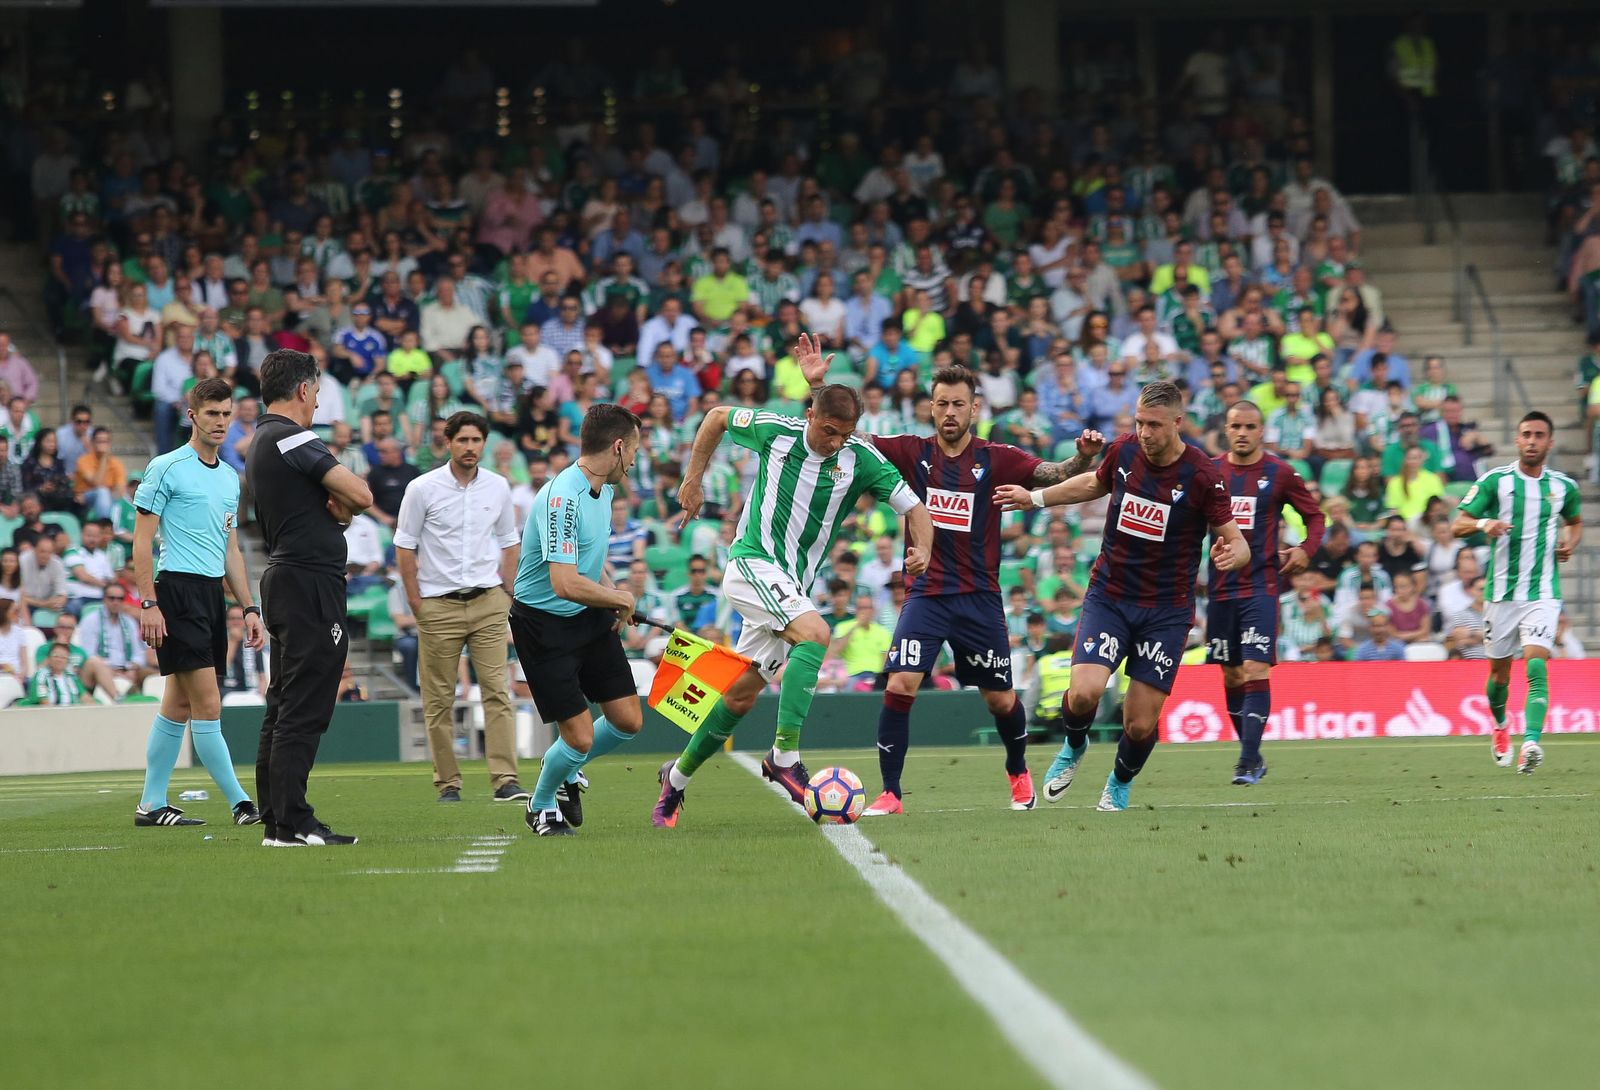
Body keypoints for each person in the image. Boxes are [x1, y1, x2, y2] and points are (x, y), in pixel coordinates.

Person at [654, 339, 931, 827]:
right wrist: (693, 480)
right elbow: (717, 415)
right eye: (828, 430)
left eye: (845, 434)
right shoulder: (775, 431)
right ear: (808, 415)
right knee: (818, 633)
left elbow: (915, 508)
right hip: (751, 564)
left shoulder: (859, 460)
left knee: (740, 695)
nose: (835, 442)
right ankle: (783, 758)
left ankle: (673, 780)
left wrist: (923, 547)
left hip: (791, 586)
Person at [840, 361, 1103, 816]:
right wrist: (821, 388)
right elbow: (851, 439)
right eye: (941, 403)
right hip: (926, 593)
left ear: (974, 408)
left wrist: (1082, 456)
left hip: (979, 598)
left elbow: (1057, 474)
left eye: (958, 404)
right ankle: (891, 792)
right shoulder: (909, 452)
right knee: (900, 684)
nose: (949, 412)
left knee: (1000, 699)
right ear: (930, 407)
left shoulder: (997, 458)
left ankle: (1018, 771)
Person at [997, 381, 1249, 811]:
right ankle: (1074, 746)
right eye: (1139, 423)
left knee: (1138, 724)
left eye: (1153, 425)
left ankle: (1119, 780)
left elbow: (1237, 541)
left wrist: (1233, 557)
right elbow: (1092, 485)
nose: (1145, 433)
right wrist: (1035, 498)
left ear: (1177, 422)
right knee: (1084, 693)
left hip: (1166, 611)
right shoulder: (1124, 452)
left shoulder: (1203, 475)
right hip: (1110, 596)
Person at [246, 350, 374, 847]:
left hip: (286, 575)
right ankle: (294, 820)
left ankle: (277, 817)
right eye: (317, 392)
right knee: (304, 704)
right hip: (308, 582)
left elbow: (334, 509)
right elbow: (359, 495)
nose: (318, 401)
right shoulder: (293, 436)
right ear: (302, 390)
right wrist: (343, 507)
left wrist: (335, 515)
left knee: (283, 700)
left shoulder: (261, 438)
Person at [131, 377, 268, 828]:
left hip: (210, 594)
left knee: (178, 705)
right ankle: (241, 803)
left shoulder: (230, 478)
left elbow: (231, 550)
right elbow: (142, 541)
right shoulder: (167, 467)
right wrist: (149, 603)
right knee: (209, 706)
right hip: (176, 591)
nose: (221, 422)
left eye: (227, 414)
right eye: (212, 413)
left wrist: (249, 608)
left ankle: (151, 805)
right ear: (192, 415)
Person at [510, 403, 646, 837]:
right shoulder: (562, 498)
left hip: (587, 616)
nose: (637, 461)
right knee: (580, 738)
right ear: (619, 446)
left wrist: (610, 600)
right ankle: (541, 803)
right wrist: (618, 595)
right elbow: (565, 582)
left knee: (628, 720)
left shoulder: (603, 490)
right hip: (543, 624)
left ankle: (568, 766)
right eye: (636, 451)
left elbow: (591, 563)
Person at [394, 411, 526, 804]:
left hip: (488, 601)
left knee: (497, 692)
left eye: (476, 440)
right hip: (437, 604)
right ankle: (448, 783)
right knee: (438, 699)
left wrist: (507, 591)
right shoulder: (422, 488)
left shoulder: (499, 487)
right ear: (447, 443)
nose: (470, 448)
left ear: (484, 444)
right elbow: (404, 545)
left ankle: (506, 780)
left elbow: (508, 540)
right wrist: (416, 600)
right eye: (462, 440)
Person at [1453, 412, 1583, 773]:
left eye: (1539, 435)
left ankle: (1531, 743)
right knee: (1499, 677)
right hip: (1501, 595)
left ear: (1550, 442)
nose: (1532, 440)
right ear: (1516, 439)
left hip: (1543, 592)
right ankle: (1499, 726)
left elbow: (1575, 521)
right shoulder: (1496, 481)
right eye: (1526, 433)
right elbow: (1457, 524)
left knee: (1537, 662)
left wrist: (1570, 544)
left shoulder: (1563, 487)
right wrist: (1485, 522)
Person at [1206, 401, 1325, 785]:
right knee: (1231, 676)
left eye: (1250, 426)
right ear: (1226, 429)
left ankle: (1246, 761)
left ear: (1262, 431)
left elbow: (1315, 517)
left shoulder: (1280, 473)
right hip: (1221, 590)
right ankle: (1253, 755)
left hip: (1261, 587)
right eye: (1235, 425)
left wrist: (1307, 549)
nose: (1242, 432)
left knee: (1255, 669)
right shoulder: (1211, 472)